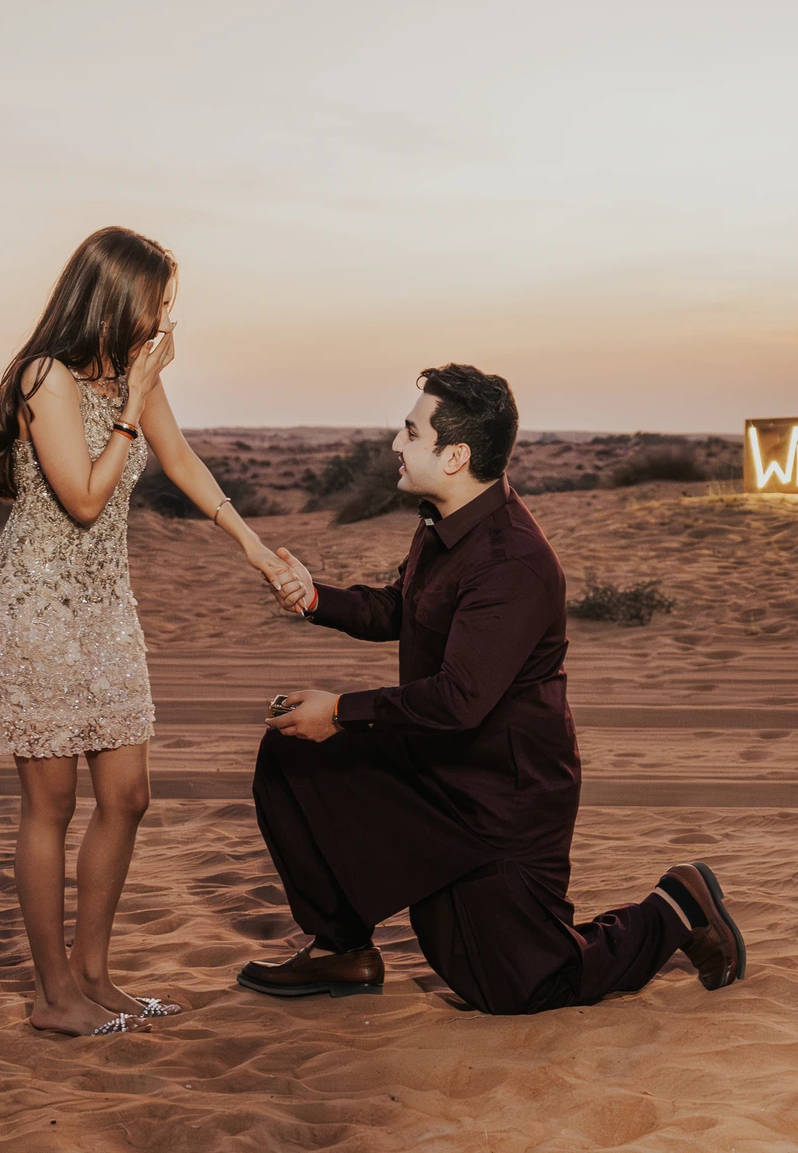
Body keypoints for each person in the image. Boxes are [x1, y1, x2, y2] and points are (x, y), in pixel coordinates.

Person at [243, 363, 747, 1015]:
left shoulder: (514, 561)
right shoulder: (443, 522)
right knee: (292, 753)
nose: (395, 443)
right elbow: (404, 607)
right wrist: (315, 598)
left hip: (503, 800)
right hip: (432, 765)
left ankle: (677, 906)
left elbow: (459, 700)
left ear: (455, 456)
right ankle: (342, 949)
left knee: (519, 987)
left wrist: (339, 711)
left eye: (410, 433)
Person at [0, 226, 284, 1037]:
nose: (167, 321)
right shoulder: (48, 376)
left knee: (128, 797)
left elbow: (183, 463)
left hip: (105, 609)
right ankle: (53, 997)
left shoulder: (129, 375)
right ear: (113, 299)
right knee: (51, 804)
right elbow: (83, 499)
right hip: (35, 607)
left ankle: (94, 975)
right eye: (157, 303)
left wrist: (253, 547)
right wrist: (133, 406)